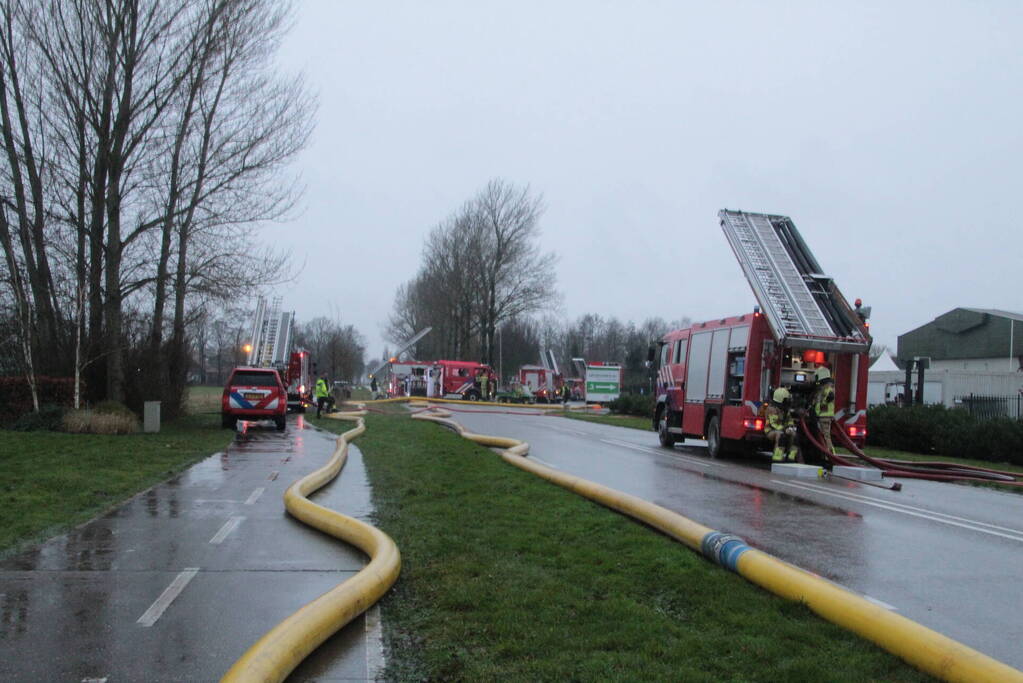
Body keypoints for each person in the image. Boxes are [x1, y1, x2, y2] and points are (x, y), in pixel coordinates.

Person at [766, 387, 799, 462]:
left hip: (783, 429)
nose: (788, 401)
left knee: (795, 436)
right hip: (771, 431)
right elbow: (773, 424)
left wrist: (791, 427)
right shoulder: (772, 409)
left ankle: (791, 457)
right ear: (781, 399)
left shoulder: (785, 409)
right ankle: (777, 457)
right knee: (781, 436)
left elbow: (789, 419)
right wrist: (785, 429)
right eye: (786, 399)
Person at [812, 366, 836, 455]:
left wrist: (820, 405)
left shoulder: (826, 389)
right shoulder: (827, 388)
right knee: (824, 436)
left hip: (824, 416)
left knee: (826, 437)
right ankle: (827, 454)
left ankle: (831, 454)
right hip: (823, 416)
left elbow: (826, 399)